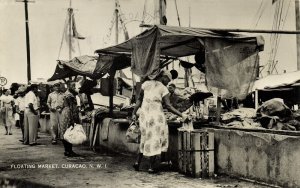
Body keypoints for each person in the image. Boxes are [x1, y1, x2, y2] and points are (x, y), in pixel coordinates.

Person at [131, 70, 188, 173]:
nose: (168, 82)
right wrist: (182, 114)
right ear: (164, 77)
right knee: (155, 138)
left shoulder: (145, 84)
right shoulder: (163, 88)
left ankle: (137, 163)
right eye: (168, 80)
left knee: (145, 138)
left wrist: (134, 113)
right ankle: (151, 167)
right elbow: (168, 106)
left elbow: (139, 100)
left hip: (144, 116)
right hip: (156, 116)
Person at [60, 81, 80, 157]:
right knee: (69, 132)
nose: (74, 87)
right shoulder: (70, 95)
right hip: (69, 114)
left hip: (64, 113)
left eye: (74, 85)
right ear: (68, 86)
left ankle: (67, 151)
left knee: (65, 132)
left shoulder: (66, 94)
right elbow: (72, 108)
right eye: (72, 86)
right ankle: (69, 151)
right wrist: (75, 119)